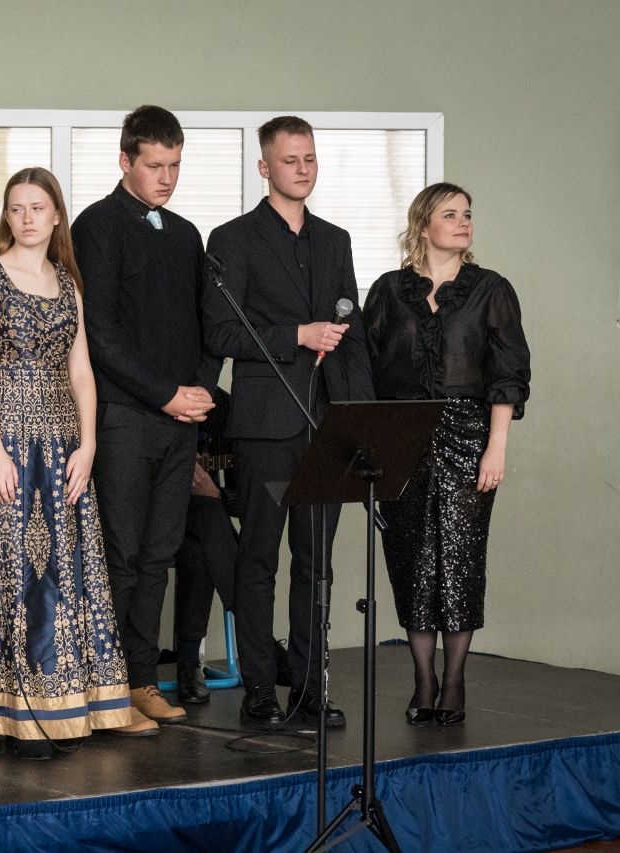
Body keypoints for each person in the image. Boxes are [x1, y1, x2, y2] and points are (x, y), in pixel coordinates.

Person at [0, 168, 136, 760]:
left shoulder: (68, 282)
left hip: (62, 445)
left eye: (37, 207)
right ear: (6, 216)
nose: (27, 218)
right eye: (16, 208)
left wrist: (89, 445)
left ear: (57, 215)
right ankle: (12, 713)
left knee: (65, 573)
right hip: (6, 437)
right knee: (10, 570)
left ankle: (68, 706)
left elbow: (82, 372)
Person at [202, 116, 375, 729]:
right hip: (266, 428)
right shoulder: (233, 238)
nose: (302, 169)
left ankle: (307, 690)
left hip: (325, 428)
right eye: (290, 160)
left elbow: (352, 336)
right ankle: (259, 691)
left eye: (310, 158)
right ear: (264, 168)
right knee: (258, 563)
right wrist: (296, 335)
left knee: (316, 565)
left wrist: (357, 421)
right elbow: (220, 333)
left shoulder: (335, 240)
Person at [70, 105, 221, 727]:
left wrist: (201, 390)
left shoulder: (186, 234)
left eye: (175, 165)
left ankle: (140, 682)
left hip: (179, 419)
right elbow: (98, 332)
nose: (166, 177)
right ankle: (105, 686)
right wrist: (165, 394)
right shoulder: (96, 226)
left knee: (159, 555)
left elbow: (206, 325)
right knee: (120, 556)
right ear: (125, 160)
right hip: (124, 418)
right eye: (155, 165)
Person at [363, 183, 530, 727]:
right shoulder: (388, 291)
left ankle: (454, 680)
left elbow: (507, 374)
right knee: (410, 560)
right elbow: (365, 370)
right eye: (451, 214)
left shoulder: (491, 289)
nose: (464, 223)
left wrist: (495, 447)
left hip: (468, 434)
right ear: (423, 224)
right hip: (401, 437)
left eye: (468, 215)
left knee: (459, 561)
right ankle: (424, 679)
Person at [172, 386, 237, 706]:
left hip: (197, 522)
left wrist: (217, 493)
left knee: (199, 546)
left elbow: (247, 496)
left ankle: (189, 664)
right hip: (146, 517)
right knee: (208, 524)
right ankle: (258, 639)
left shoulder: (222, 407)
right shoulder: (155, 391)